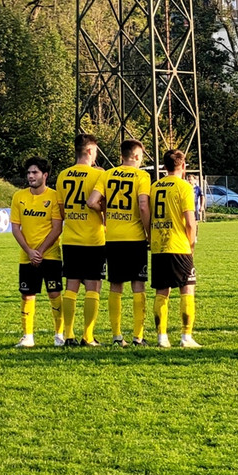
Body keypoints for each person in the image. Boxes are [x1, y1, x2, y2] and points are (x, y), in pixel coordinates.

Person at [87, 139, 151, 347]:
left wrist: (106, 211)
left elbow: (92, 202)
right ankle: (138, 337)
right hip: (135, 238)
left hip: (113, 238)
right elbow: (143, 205)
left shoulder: (107, 175)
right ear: (136, 156)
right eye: (141, 156)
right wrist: (149, 233)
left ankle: (116, 336)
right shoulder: (142, 176)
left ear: (121, 155)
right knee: (138, 285)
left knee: (116, 286)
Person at [56, 133, 107, 346]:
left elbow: (62, 210)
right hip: (93, 239)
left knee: (71, 285)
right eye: (95, 151)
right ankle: (88, 336)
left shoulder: (62, 176)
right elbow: (101, 205)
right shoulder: (98, 175)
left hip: (70, 238)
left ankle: (68, 335)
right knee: (93, 286)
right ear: (89, 151)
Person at [11, 157, 64, 348]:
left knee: (54, 293)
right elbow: (15, 228)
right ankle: (27, 336)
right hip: (27, 256)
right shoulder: (19, 196)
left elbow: (57, 228)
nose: (30, 176)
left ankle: (59, 335)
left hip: (50, 255)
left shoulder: (54, 196)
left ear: (45, 175)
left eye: (35, 172)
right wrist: (29, 251)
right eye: (28, 173)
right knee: (27, 295)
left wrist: (39, 251)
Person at [150, 149, 200, 348]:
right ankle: (186, 336)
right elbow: (190, 222)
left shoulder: (154, 187)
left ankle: (162, 337)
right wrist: (191, 244)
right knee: (187, 288)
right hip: (179, 245)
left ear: (164, 167)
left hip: (158, 245)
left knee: (162, 291)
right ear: (184, 166)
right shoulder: (184, 187)